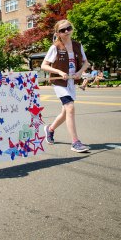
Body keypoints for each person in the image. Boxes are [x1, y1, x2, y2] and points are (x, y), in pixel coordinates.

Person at [41, 19, 90, 153]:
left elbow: (86, 63)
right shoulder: (55, 47)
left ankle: (50, 129)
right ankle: (75, 142)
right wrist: (58, 71)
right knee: (70, 107)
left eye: (68, 28)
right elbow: (43, 65)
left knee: (65, 112)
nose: (67, 31)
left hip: (71, 82)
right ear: (58, 33)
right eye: (63, 30)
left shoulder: (78, 46)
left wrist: (80, 72)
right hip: (59, 83)